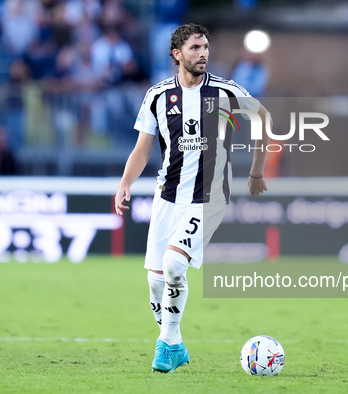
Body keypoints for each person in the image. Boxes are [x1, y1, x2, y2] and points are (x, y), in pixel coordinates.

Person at [114, 23, 270, 373]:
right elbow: (142, 149)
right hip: (166, 196)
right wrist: (125, 183)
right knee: (156, 283)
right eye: (196, 48)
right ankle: (175, 343)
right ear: (177, 54)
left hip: (208, 196)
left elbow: (263, 117)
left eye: (205, 47)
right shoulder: (156, 95)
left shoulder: (225, 91)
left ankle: (165, 347)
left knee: (173, 265)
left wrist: (256, 171)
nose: (203, 54)